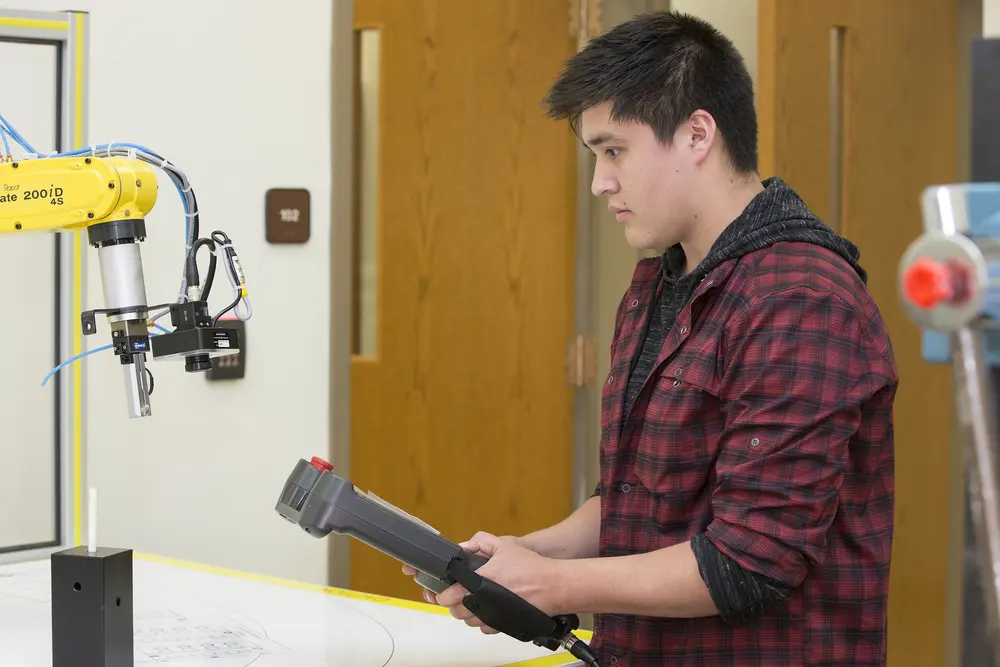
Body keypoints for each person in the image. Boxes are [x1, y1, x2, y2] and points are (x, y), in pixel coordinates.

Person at [403, 10, 898, 667]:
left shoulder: (799, 297)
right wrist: (531, 552)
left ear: (697, 133)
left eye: (615, 150)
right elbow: (636, 501)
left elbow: (751, 560)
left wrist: (552, 582)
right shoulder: (656, 283)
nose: (600, 181)